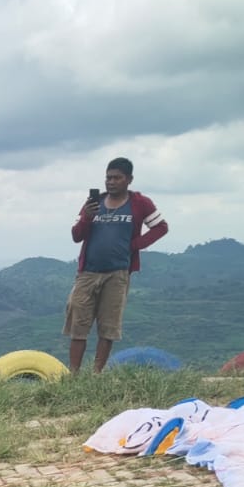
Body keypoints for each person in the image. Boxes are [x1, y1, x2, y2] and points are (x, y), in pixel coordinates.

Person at [65, 157, 168, 373]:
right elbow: (76, 235)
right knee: (78, 326)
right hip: (87, 273)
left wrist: (134, 245)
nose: (111, 182)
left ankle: (96, 374)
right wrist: (88, 217)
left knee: (108, 327)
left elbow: (161, 227)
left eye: (116, 178)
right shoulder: (93, 203)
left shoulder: (140, 203)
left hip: (118, 274)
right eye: (108, 177)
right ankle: (73, 375)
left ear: (129, 179)